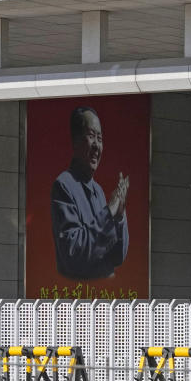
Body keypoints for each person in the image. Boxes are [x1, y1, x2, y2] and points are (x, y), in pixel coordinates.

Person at [50, 107, 129, 280]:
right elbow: (74, 254)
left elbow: (117, 258)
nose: (96, 145)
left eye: (99, 138)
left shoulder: (99, 191)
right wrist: (108, 213)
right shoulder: (64, 185)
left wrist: (119, 217)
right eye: (91, 136)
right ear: (76, 141)